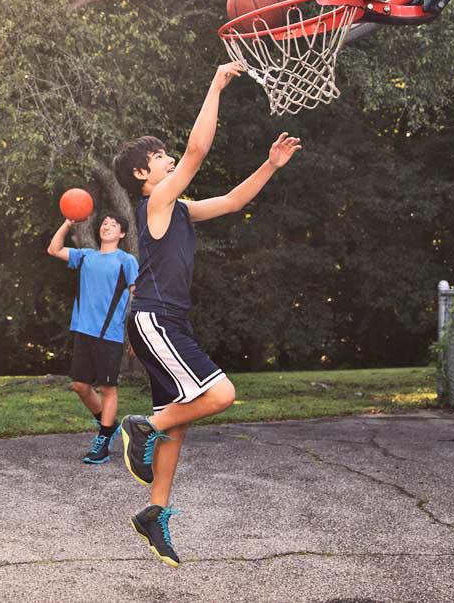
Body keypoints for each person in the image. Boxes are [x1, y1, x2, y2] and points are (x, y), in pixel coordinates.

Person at [111, 63, 301, 566]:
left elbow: (234, 202)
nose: (169, 159)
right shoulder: (156, 202)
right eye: (159, 157)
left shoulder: (179, 207)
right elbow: (197, 151)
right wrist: (215, 85)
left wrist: (270, 166)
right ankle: (142, 426)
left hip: (166, 320)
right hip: (154, 318)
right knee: (220, 394)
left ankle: (155, 511)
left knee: (181, 420)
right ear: (141, 175)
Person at [46, 210, 138, 464]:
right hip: (83, 331)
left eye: (114, 224)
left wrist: (136, 335)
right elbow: (54, 250)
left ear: (122, 234)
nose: (107, 226)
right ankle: (107, 426)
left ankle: (103, 440)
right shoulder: (86, 256)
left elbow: (137, 296)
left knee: (108, 387)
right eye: (105, 223)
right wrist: (66, 224)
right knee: (80, 386)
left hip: (110, 334)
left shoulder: (126, 260)